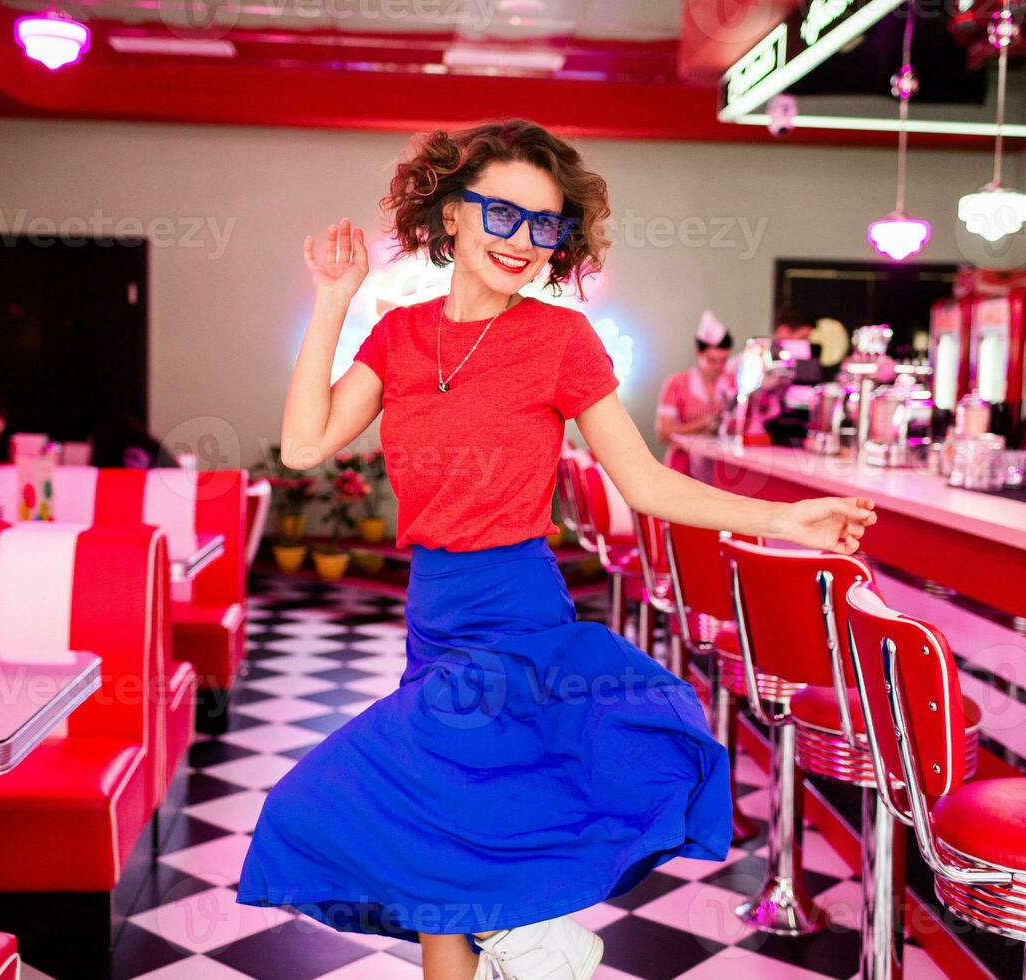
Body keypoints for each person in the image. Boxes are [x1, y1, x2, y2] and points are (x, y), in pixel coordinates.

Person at [236, 119, 876, 980]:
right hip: (433, 621)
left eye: (545, 225)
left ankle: (530, 934)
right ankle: (526, 937)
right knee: (444, 858)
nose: (524, 241)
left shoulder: (560, 341)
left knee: (397, 829)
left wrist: (789, 520)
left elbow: (644, 484)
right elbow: (305, 445)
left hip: (515, 618)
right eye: (502, 214)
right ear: (450, 216)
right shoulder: (397, 338)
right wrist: (331, 301)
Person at [654, 311, 733, 476]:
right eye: (712, 360)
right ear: (699, 353)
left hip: (718, 471)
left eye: (723, 360)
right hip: (682, 469)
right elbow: (663, 432)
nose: (718, 367)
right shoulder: (677, 383)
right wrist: (702, 423)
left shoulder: (732, 383)